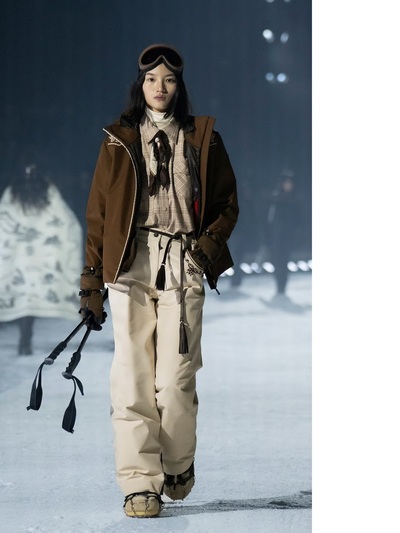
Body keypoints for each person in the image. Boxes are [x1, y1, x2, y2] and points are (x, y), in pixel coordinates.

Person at [79, 43, 239, 518]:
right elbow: (98, 215)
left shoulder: (203, 138)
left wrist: (205, 249)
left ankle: (177, 464)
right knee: (131, 379)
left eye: (168, 79)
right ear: (141, 84)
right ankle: (139, 485)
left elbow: (227, 204)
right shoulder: (117, 140)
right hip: (129, 266)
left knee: (174, 381)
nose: (160, 87)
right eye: (152, 79)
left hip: (182, 262)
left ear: (179, 85)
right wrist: (91, 284)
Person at [0, 158, 83, 355]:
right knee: (28, 296)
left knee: (25, 298)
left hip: (24, 255)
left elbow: (5, 218)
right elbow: (64, 218)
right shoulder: (45, 190)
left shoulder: (15, 191)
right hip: (35, 255)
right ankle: (25, 338)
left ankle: (25, 338)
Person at [266, 171, 302, 296]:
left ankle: (282, 285)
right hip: (276, 236)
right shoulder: (276, 200)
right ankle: (279, 283)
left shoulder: (294, 200)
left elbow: (298, 219)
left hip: (288, 236)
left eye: (289, 183)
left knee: (284, 260)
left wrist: (296, 234)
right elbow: (270, 219)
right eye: (286, 183)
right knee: (276, 261)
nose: (288, 185)